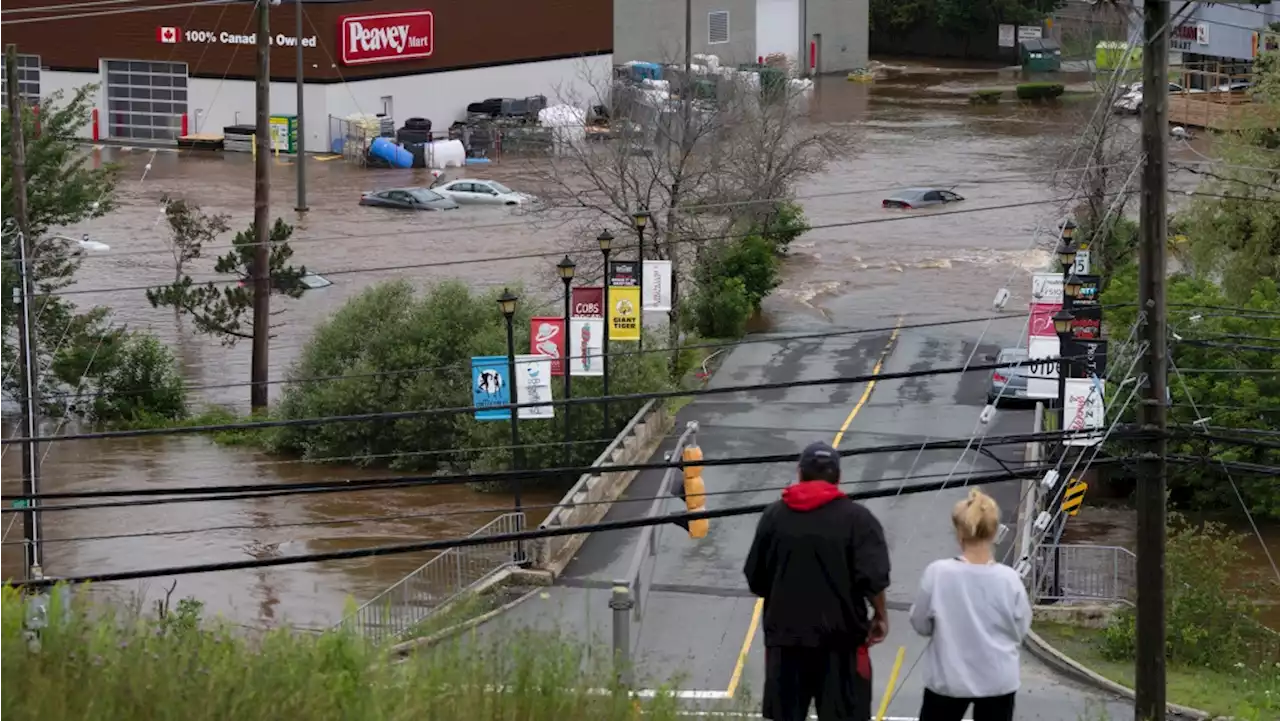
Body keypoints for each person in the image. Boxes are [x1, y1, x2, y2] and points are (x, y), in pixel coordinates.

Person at [743, 441, 891, 721]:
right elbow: (873, 580)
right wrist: (881, 616)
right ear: (838, 478)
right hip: (842, 645)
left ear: (800, 474)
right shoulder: (858, 520)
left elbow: (756, 579)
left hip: (786, 643)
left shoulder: (774, 517)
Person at [909, 488, 1032, 721]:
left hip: (948, 679)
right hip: (998, 681)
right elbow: (1020, 629)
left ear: (959, 532)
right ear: (995, 532)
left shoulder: (938, 573)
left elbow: (921, 624)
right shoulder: (1009, 579)